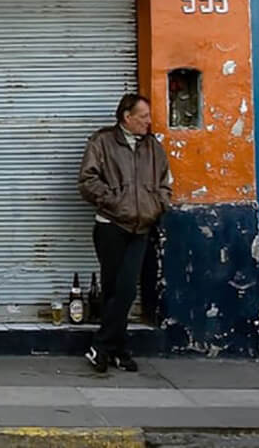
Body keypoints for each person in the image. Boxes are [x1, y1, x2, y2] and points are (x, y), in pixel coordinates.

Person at [78, 93, 171, 373]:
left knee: (127, 289)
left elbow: (165, 182)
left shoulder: (153, 147)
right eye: (143, 116)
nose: (148, 121)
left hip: (141, 227)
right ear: (126, 117)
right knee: (113, 290)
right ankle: (118, 350)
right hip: (111, 226)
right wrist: (116, 202)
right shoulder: (102, 142)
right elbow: (87, 180)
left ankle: (101, 346)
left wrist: (157, 205)